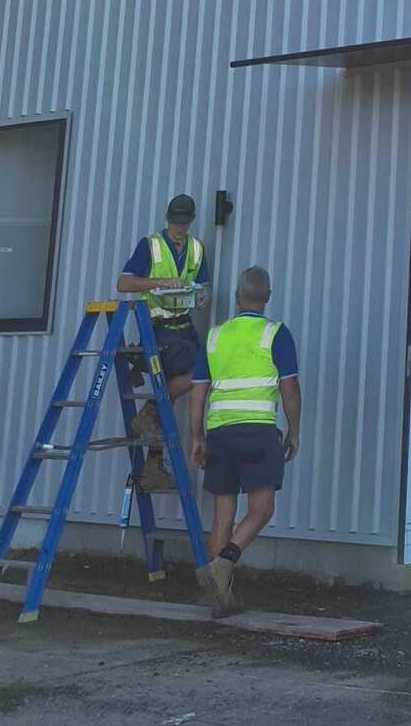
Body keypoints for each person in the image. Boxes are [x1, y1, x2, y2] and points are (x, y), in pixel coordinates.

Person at [190, 265, 300, 617]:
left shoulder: (214, 337)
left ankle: (219, 597)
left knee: (223, 515)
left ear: (237, 298)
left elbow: (198, 392)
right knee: (262, 509)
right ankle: (224, 563)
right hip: (258, 431)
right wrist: (295, 428)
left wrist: (196, 435)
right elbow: (290, 388)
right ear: (267, 297)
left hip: (220, 433)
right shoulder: (276, 334)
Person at [116, 194, 209, 492]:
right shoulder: (151, 245)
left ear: (191, 221)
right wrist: (159, 283)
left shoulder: (196, 249)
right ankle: (150, 413)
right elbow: (124, 282)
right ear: (166, 219)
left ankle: (153, 463)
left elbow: (202, 282)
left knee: (175, 385)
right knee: (197, 374)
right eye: (175, 222)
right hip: (156, 326)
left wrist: (203, 292)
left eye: (184, 223)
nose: (179, 228)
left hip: (183, 324)